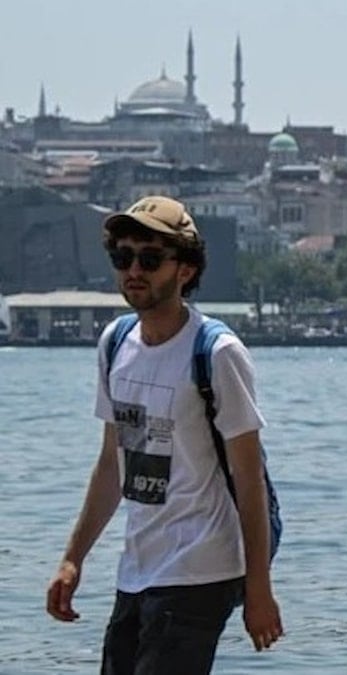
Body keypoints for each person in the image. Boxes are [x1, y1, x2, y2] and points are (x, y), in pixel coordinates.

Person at [45, 196, 283, 674]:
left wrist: (259, 587)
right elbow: (112, 465)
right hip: (137, 569)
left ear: (186, 270)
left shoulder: (216, 352)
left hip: (202, 568)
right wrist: (73, 559)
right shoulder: (115, 342)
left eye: (150, 259)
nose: (134, 269)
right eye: (123, 257)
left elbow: (249, 478)